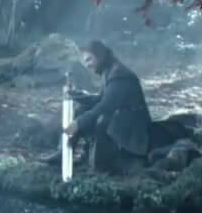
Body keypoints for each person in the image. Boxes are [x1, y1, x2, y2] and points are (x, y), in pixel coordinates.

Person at [62, 40, 151, 173]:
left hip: (135, 126)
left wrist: (78, 123)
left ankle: (99, 166)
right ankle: (66, 152)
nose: (87, 65)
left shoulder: (119, 74)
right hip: (122, 117)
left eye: (89, 59)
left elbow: (105, 106)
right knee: (81, 110)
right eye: (85, 61)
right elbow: (100, 99)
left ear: (100, 55)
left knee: (102, 119)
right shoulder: (109, 70)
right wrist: (76, 95)